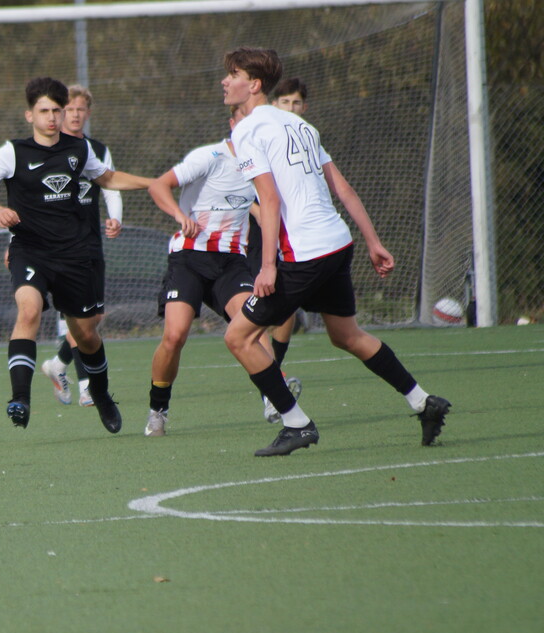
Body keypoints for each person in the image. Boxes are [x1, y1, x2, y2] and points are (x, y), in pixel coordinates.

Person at [221, 47, 450, 456]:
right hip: (337, 244)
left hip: (305, 254)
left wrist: (268, 265)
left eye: (233, 74)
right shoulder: (301, 125)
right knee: (347, 335)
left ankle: (296, 424)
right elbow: (342, 188)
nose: (225, 81)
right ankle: (423, 402)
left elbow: (269, 200)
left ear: (253, 85)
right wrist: (373, 241)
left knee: (238, 337)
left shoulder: (248, 130)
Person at [0, 76, 152, 433]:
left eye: (57, 110)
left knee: (86, 334)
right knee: (29, 310)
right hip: (30, 251)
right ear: (29, 115)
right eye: (44, 111)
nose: (52, 117)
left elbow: (108, 179)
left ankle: (101, 394)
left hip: (73, 254)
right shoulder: (12, 153)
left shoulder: (79, 149)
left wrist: (155, 182)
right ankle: (20, 398)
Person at [141, 105, 267, 437]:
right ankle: (158, 410)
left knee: (253, 323)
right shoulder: (210, 156)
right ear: (232, 124)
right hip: (189, 257)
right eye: (244, 122)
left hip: (231, 262)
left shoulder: (264, 166)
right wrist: (179, 216)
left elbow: (266, 206)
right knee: (175, 335)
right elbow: (158, 186)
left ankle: (273, 397)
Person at [39, 84, 123, 409]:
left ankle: (58, 365)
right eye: (69, 109)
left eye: (80, 109)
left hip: (90, 243)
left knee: (94, 316)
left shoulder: (97, 149)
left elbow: (111, 185)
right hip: (59, 247)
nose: (74, 115)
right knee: (75, 316)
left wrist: (115, 217)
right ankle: (88, 385)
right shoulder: (48, 149)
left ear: (88, 113)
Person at [246, 76, 310, 423]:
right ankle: (272, 387)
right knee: (255, 319)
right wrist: (263, 214)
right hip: (261, 239)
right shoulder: (258, 136)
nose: (291, 108)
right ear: (273, 105)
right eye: (285, 102)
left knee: (287, 312)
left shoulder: (306, 139)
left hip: (296, 239)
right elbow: (244, 193)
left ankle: (273, 381)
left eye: (296, 102)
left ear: (305, 107)